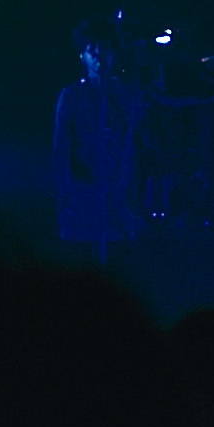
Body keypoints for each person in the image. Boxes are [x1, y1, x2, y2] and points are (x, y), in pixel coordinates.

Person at [52, 31, 145, 259]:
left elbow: (133, 140)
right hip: (83, 181)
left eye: (104, 50)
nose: (99, 57)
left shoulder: (127, 93)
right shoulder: (72, 95)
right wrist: (65, 186)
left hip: (118, 181)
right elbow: (61, 145)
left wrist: (127, 183)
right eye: (92, 52)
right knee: (83, 247)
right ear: (83, 56)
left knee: (118, 248)